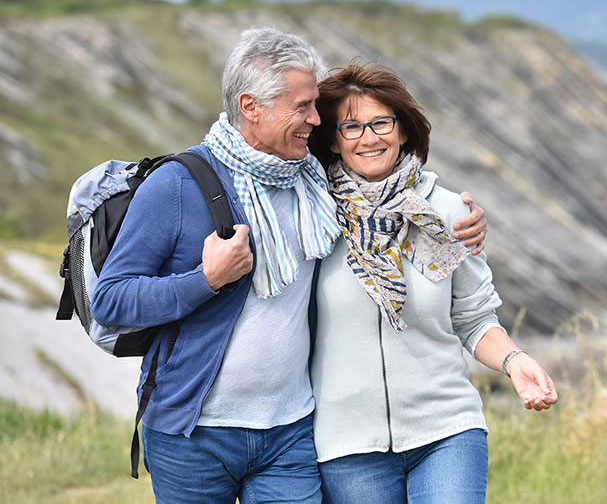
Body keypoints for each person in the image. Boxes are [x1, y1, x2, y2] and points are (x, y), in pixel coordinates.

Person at [92, 28, 487, 504]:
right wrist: (206, 280)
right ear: (250, 106)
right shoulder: (177, 185)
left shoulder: (317, 182)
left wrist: (458, 220)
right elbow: (110, 301)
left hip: (291, 434)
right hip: (192, 432)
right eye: (302, 107)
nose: (315, 120)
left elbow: (383, 187)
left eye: (315, 106)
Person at [307, 61, 557, 504]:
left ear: (403, 130)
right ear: (332, 139)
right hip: (348, 446)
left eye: (381, 122)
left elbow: (474, 319)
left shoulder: (448, 214)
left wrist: (515, 362)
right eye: (352, 127)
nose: (369, 137)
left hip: (447, 431)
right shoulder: (312, 218)